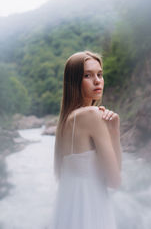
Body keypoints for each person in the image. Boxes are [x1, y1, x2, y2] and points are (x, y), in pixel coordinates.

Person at [51, 50, 122, 229]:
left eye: (100, 74)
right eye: (87, 75)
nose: (97, 80)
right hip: (92, 208)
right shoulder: (91, 115)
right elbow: (114, 181)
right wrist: (115, 133)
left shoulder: (66, 120)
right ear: (75, 81)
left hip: (70, 210)